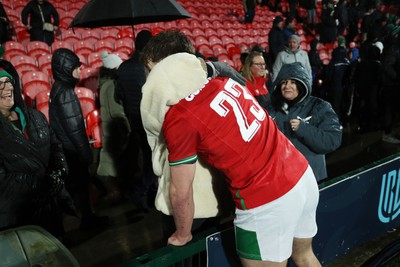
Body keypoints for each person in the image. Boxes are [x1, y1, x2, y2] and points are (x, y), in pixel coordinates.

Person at [140, 29, 321, 267]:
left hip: (266, 199)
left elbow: (180, 192)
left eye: (150, 72)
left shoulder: (180, 117)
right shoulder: (223, 82)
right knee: (305, 257)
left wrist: (182, 234)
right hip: (301, 175)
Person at [0, 60, 74, 240]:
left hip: (50, 210)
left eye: (8, 81)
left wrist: (58, 172)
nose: (6, 87)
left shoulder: (36, 117)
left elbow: (56, 147)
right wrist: (41, 184)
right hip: (18, 216)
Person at [49, 48, 108, 230]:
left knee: (80, 188)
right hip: (72, 151)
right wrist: (86, 154)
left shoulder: (59, 88)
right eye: (75, 68)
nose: (79, 71)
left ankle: (87, 219)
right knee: (78, 188)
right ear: (66, 69)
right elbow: (75, 129)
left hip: (67, 150)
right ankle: (81, 223)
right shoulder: (65, 92)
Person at [263, 62, 342, 183]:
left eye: (293, 82)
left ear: (301, 84)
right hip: (280, 180)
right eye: (284, 82)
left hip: (310, 179)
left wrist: (304, 129)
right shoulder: (269, 108)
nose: (287, 86)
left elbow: (332, 140)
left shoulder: (319, 107)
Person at [97, 51, 130, 202]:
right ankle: (118, 193)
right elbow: (117, 111)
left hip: (111, 130)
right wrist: (128, 128)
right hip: (116, 130)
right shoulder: (111, 86)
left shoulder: (104, 84)